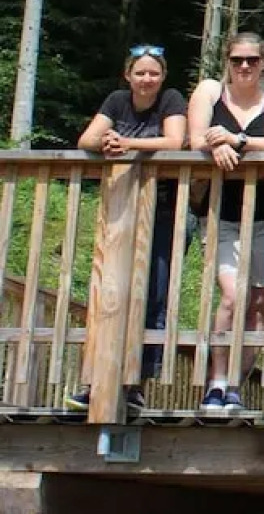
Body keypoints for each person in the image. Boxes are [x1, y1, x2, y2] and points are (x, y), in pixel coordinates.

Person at [67, 45, 188, 415]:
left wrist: (127, 143)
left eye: (153, 73)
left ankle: (135, 383)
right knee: (107, 292)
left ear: (162, 76)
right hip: (118, 209)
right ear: (128, 75)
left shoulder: (170, 99)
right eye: (140, 73)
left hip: (164, 210)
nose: (147, 79)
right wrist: (106, 142)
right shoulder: (118, 100)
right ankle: (94, 382)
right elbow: (86, 140)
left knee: (153, 293)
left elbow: (175, 141)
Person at [188, 32, 264, 414]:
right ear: (227, 62)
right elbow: (195, 137)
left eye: (252, 59)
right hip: (222, 213)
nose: (244, 66)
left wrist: (236, 139)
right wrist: (215, 145)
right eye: (237, 60)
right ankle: (216, 382)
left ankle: (235, 385)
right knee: (233, 296)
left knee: (259, 305)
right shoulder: (211, 93)